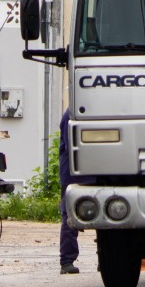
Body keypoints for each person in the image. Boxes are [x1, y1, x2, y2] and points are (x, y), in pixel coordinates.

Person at [57, 106, 80, 274]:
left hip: (90, 172)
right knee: (70, 218)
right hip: (73, 174)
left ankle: (105, 257)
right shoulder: (70, 116)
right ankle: (66, 261)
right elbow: (73, 144)